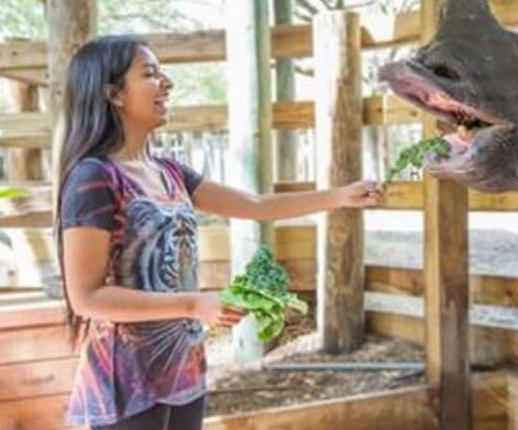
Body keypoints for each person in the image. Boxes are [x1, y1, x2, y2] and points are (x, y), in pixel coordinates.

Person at [57, 35, 383, 430]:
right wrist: (194, 305)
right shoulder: (94, 178)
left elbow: (256, 206)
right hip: (125, 384)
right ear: (114, 94)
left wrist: (341, 197)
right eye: (150, 74)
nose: (166, 83)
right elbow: (86, 297)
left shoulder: (168, 171)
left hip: (184, 371)